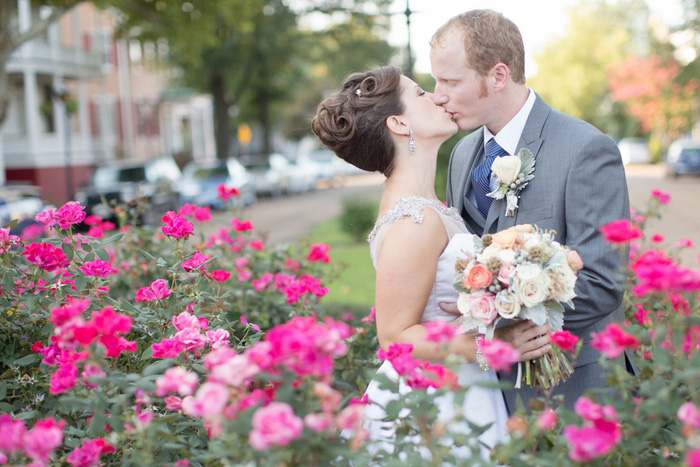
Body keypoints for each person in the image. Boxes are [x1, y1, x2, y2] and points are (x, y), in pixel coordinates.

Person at [311, 65, 552, 457]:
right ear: (399, 123)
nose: (438, 97)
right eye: (421, 93)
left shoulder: (426, 206)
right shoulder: (413, 219)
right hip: (434, 402)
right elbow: (394, 337)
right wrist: (492, 345)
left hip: (456, 388)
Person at [429, 9, 631, 413]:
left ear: (498, 76)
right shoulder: (462, 153)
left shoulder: (585, 149)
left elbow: (603, 280)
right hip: (487, 395)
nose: (438, 95)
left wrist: (496, 319)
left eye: (450, 81)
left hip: (574, 389)